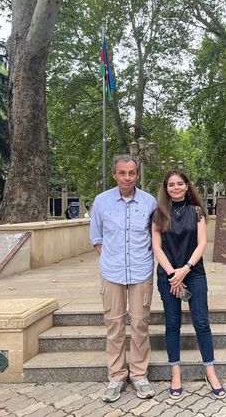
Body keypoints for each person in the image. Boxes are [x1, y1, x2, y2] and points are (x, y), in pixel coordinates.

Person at [151, 170, 226, 400]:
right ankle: (175, 373)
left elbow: (202, 243)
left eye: (180, 183)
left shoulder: (197, 212)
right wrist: (173, 274)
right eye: (171, 184)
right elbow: (156, 247)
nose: (175, 187)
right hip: (168, 276)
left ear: (186, 186)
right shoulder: (158, 214)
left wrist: (185, 270)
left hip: (194, 274)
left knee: (202, 323)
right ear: (166, 188)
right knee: (172, 324)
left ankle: (210, 372)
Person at [90, 155, 157, 403]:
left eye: (131, 173)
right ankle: (116, 377)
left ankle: (139, 375)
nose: (127, 178)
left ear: (137, 175)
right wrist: (112, 259)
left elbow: (155, 237)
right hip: (112, 273)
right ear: (115, 175)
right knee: (114, 325)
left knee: (140, 324)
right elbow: (97, 239)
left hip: (141, 272)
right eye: (122, 173)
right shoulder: (101, 201)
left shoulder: (149, 202)